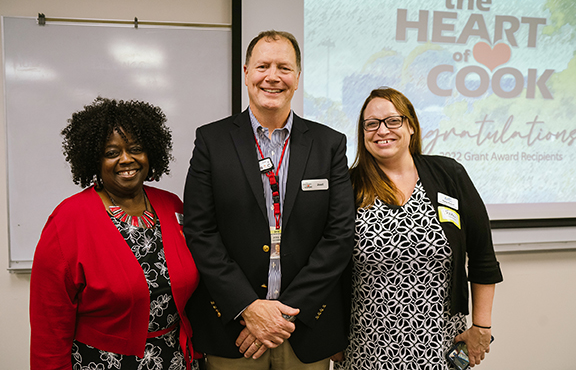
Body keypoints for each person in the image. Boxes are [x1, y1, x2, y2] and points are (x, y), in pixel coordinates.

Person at [183, 30, 355, 369]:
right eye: (263, 66)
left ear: (297, 78)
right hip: (235, 329)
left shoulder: (328, 144)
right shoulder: (211, 141)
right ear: (246, 73)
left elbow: (338, 236)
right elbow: (200, 232)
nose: (272, 77)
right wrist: (249, 307)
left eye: (284, 67)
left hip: (305, 326)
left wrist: (284, 314)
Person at [334, 87, 503, 369]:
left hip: (442, 346)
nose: (381, 130)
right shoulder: (348, 186)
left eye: (392, 120)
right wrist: (330, 337)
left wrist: (481, 327)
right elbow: (328, 264)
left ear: (410, 125)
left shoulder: (449, 175)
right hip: (367, 348)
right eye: (371, 124)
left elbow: (482, 254)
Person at [30, 97, 201, 370]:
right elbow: (49, 326)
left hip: (175, 360)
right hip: (102, 363)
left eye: (136, 149)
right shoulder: (68, 220)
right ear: (93, 159)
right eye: (111, 153)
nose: (126, 159)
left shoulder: (172, 206)